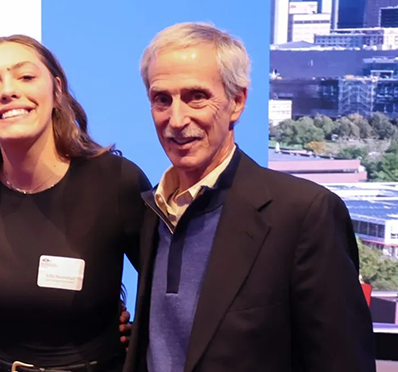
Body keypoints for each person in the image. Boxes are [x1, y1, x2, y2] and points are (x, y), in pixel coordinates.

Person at [124, 23, 375, 372]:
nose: (176, 119)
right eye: (162, 99)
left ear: (237, 102)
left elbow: (343, 362)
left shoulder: (303, 214)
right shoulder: (153, 211)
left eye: (196, 96)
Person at [0, 35, 151, 372]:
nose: (7, 91)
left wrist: (139, 332)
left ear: (57, 90)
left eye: (25, 77)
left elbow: (167, 286)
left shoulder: (116, 182)